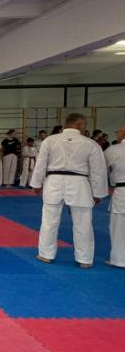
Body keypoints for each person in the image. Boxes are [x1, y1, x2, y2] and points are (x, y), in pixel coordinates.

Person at [31, 113, 108, 268]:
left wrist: (36, 184)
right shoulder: (90, 143)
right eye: (84, 125)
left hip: (54, 181)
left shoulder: (50, 140)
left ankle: (45, 254)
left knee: (49, 221)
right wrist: (98, 193)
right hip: (79, 183)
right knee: (83, 223)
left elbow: (40, 164)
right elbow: (98, 171)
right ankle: (84, 259)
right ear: (79, 125)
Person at [105, 125, 125, 267]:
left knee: (119, 226)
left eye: (118, 131)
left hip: (122, 191)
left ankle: (120, 259)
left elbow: (100, 168)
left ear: (123, 133)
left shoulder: (113, 150)